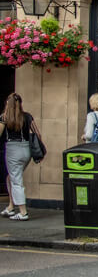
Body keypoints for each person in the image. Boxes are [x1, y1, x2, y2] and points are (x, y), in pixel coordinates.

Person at [1, 93, 40, 221]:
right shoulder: (27, 117)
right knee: (10, 178)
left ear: (8, 103)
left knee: (16, 180)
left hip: (13, 150)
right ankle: (11, 207)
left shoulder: (4, 117)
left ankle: (23, 212)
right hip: (26, 149)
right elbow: (37, 134)